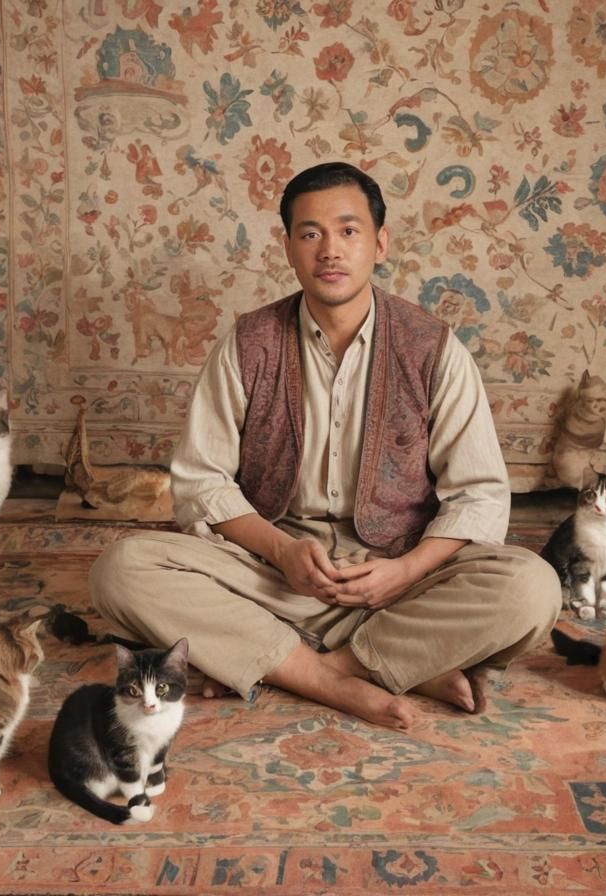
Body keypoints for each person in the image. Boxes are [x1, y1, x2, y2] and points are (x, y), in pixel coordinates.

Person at [90, 161, 561, 730]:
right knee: (121, 570)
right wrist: (281, 552)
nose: (329, 250)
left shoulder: (434, 349)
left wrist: (406, 572)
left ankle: (316, 665)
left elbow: (479, 497)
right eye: (310, 234)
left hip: (396, 577)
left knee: (532, 589)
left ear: (380, 243)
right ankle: (389, 665)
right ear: (288, 247)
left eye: (348, 231)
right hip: (273, 570)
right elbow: (201, 482)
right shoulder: (247, 344)